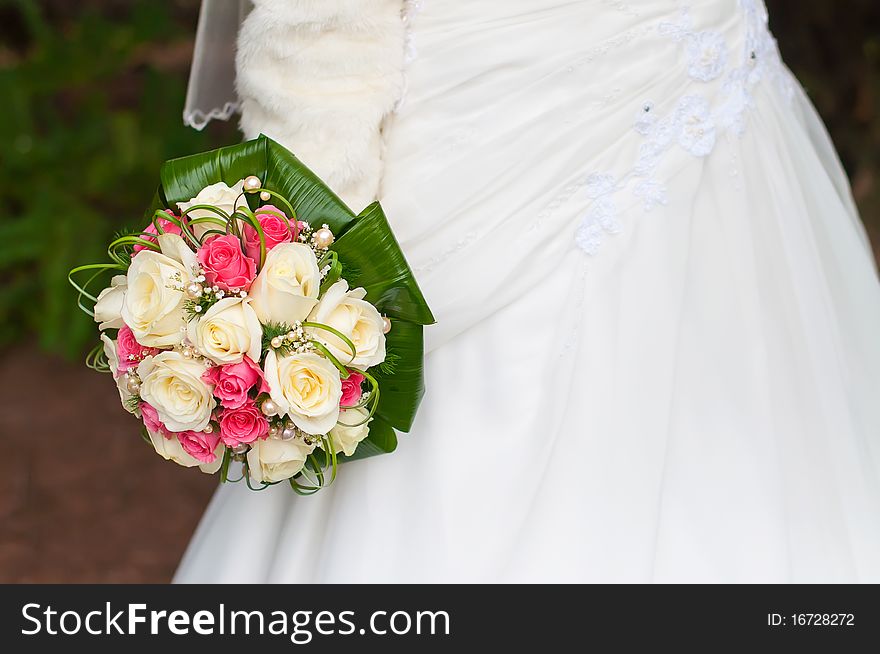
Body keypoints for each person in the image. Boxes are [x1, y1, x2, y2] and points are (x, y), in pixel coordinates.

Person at [175, 0, 880, 582]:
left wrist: (293, 245)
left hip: (696, 94)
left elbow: (316, 42)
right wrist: (302, 253)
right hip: (502, 126)